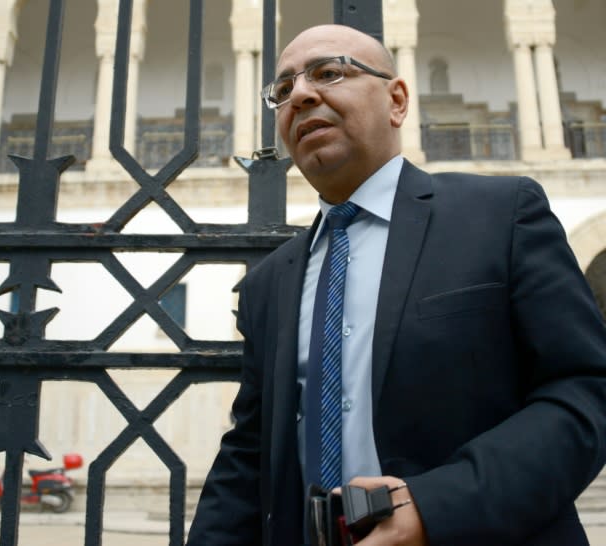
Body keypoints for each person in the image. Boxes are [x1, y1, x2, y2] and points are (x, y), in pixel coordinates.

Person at [186, 23, 606, 546]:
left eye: (329, 72)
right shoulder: (269, 284)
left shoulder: (500, 218)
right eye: (284, 89)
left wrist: (433, 509)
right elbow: (250, 453)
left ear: (397, 100)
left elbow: (585, 390)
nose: (302, 95)